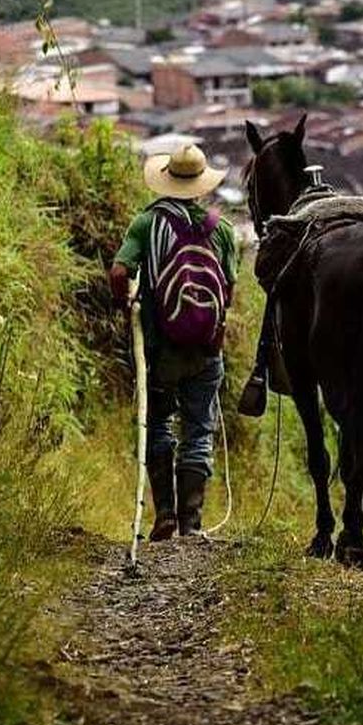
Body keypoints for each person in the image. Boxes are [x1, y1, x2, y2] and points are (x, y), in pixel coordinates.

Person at [108, 144, 238, 541]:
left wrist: (126, 302)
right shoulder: (222, 228)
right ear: (202, 184)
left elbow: (119, 272)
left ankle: (164, 513)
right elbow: (228, 292)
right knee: (199, 430)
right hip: (206, 349)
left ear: (166, 180)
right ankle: (190, 523)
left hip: (159, 348)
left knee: (158, 423)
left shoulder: (147, 223)